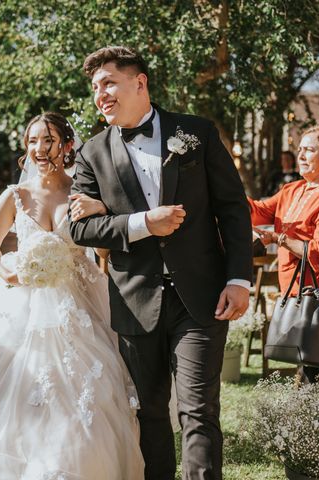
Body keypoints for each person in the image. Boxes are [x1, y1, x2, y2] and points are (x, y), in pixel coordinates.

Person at [0, 112, 144, 479]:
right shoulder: (15, 196)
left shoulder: (83, 192)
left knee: (88, 389)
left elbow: (102, 248)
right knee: (7, 388)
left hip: (79, 300)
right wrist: (6, 269)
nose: (40, 149)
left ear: (68, 146)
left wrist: (103, 213)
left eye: (49, 140)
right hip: (22, 302)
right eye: (33, 141)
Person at [69, 46, 253, 480]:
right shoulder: (91, 153)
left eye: (109, 82)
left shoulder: (197, 133)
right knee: (150, 411)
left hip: (202, 296)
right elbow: (80, 231)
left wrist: (239, 279)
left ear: (140, 82)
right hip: (135, 301)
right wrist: (141, 223)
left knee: (198, 409)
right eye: (95, 88)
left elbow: (232, 209)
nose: (101, 95)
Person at [250, 124, 319, 388]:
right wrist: (225, 191)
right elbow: (255, 211)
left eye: (310, 149)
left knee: (318, 377)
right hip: (300, 292)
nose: (300, 155)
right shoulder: (294, 190)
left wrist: (278, 239)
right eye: (300, 149)